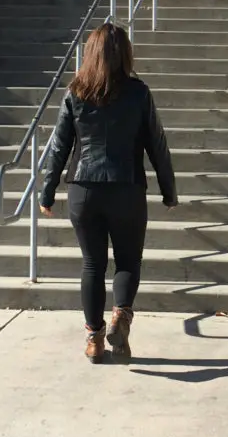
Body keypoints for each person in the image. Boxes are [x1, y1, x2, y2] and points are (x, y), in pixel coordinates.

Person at [40, 22, 178, 364]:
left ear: (90, 53)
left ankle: (94, 339)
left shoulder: (75, 92)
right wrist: (168, 190)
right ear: (125, 55)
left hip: (83, 189)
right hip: (126, 188)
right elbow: (156, 145)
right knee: (128, 261)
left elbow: (58, 147)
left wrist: (47, 192)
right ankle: (121, 317)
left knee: (92, 264)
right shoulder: (138, 92)